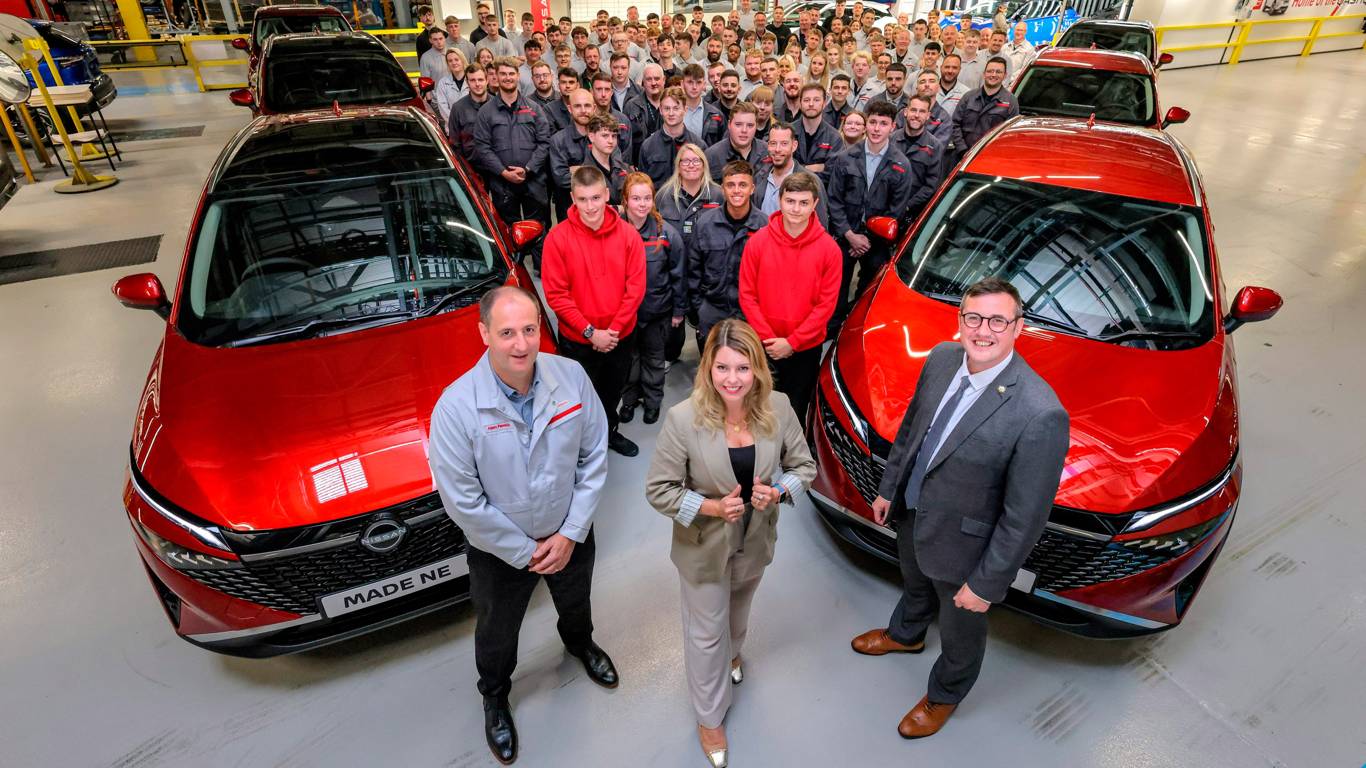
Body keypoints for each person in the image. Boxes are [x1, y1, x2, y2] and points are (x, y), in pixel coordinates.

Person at [850, 277, 1070, 739]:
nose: (983, 330)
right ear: (960, 320)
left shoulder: (1039, 412)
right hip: (913, 509)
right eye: (974, 317)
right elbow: (913, 430)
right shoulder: (942, 359)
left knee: (960, 628)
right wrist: (890, 489)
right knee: (913, 580)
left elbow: (1025, 517)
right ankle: (906, 635)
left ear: (1018, 327)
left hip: (966, 548)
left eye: (997, 321)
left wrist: (986, 583)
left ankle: (946, 692)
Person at [429, 286, 620, 766]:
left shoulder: (571, 377)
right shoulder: (456, 406)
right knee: (497, 629)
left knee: (576, 601)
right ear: (484, 334)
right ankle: (495, 695)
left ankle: (580, 644)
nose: (521, 344)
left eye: (530, 330)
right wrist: (523, 551)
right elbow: (462, 500)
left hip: (568, 532)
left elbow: (594, 456)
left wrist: (571, 531)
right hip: (499, 551)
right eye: (507, 333)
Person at [645, 317, 816, 768]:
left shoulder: (778, 407)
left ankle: (734, 655)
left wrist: (777, 492)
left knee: (738, 612)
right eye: (722, 368)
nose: (733, 379)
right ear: (708, 368)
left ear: (757, 368)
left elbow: (804, 468)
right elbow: (659, 490)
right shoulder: (683, 419)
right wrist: (712, 507)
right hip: (703, 546)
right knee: (706, 634)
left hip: (755, 540)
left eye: (743, 368)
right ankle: (710, 717)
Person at [541, 166, 647, 458]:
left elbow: (635, 288)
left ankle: (610, 431)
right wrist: (590, 332)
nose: (590, 207)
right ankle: (585, 445)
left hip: (619, 337)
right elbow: (556, 295)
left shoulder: (628, 235)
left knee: (612, 391)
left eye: (596, 198)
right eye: (583, 199)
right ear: (572, 198)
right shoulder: (557, 238)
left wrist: (612, 331)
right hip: (578, 341)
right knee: (580, 396)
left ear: (607, 195)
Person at [739, 172, 841, 420]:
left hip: (805, 349)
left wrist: (793, 342)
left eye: (804, 202)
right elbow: (747, 295)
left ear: (815, 204)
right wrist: (768, 339)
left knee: (796, 410)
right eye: (790, 201)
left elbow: (826, 306)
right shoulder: (757, 242)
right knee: (759, 409)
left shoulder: (830, 250)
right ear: (780, 201)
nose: (796, 209)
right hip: (764, 345)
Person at [825, 100, 913, 334]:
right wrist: (849, 235)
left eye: (883, 124)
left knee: (869, 289)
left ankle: (855, 329)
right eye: (872, 122)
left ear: (893, 127)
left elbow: (896, 210)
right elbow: (834, 199)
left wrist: (867, 241)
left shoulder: (901, 165)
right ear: (866, 125)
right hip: (845, 234)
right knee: (836, 286)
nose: (876, 128)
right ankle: (832, 330)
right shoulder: (846, 158)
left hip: (877, 241)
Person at [619, 173, 686, 426]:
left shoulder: (666, 234)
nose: (642, 204)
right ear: (625, 200)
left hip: (656, 311)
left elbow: (678, 275)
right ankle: (628, 400)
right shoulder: (614, 232)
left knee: (654, 360)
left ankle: (652, 401)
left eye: (647, 198)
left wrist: (678, 311)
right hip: (624, 314)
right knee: (629, 360)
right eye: (636, 198)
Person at [473, 58, 551, 259]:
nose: (507, 78)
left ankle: (541, 266)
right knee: (507, 230)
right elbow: (482, 147)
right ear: (496, 77)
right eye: (503, 74)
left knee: (538, 227)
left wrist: (528, 168)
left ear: (518, 76)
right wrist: (503, 172)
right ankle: (516, 267)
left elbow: (544, 142)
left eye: (511, 74)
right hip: (502, 184)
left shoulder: (534, 108)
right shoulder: (486, 112)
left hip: (533, 180)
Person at [688, 161, 768, 345]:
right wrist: (700, 309)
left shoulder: (765, 227)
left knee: (746, 361)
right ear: (722, 189)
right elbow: (693, 271)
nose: (736, 190)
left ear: (752, 189)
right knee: (712, 360)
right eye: (730, 185)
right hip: (712, 311)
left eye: (743, 185)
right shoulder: (705, 224)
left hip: (751, 314)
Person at [752, 122, 829, 229]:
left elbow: (821, 226)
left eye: (784, 143)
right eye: (773, 143)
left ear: (794, 146)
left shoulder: (811, 181)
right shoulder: (759, 178)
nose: (777, 149)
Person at [950, 56, 1018, 163]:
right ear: (984, 74)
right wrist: (962, 150)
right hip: (961, 157)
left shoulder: (1010, 101)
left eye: (998, 72)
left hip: (991, 160)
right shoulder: (969, 97)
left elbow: (1010, 136)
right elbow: (955, 124)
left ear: (1005, 76)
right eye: (990, 71)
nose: (993, 75)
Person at [892, 94, 947, 221]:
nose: (917, 115)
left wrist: (907, 206)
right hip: (886, 207)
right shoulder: (891, 140)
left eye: (922, 111)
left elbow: (931, 185)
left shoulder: (935, 146)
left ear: (928, 116)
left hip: (913, 213)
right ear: (906, 112)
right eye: (913, 110)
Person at [639, 86, 701, 188]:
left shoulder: (697, 145)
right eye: (667, 108)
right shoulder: (647, 146)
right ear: (660, 110)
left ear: (685, 110)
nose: (671, 113)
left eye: (676, 108)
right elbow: (643, 185)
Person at [704, 102, 769, 183]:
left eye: (750, 125)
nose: (744, 130)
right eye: (738, 125)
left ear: (756, 126)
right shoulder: (712, 156)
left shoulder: (767, 152)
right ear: (729, 125)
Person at [581, 114, 632, 205]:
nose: (610, 141)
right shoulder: (582, 174)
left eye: (614, 136)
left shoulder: (624, 168)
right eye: (605, 136)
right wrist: (618, 209)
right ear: (591, 137)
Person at [794, 83, 841, 177]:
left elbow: (833, 173)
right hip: (789, 186)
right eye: (806, 100)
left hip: (821, 186)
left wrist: (797, 168)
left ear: (824, 103)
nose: (811, 104)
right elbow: (781, 167)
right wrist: (813, 168)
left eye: (816, 100)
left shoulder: (834, 137)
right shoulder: (788, 132)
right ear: (800, 103)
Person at [448, 65, 492, 160]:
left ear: (487, 80)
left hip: (498, 165)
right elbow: (454, 144)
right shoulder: (458, 108)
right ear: (467, 82)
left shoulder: (497, 105)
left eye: (480, 80)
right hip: (471, 165)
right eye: (472, 80)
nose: (477, 84)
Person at [625, 63, 666, 164]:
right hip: (640, 163)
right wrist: (629, 164)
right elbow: (626, 141)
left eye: (657, 79)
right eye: (649, 79)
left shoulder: (673, 103)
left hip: (668, 162)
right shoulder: (631, 106)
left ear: (664, 80)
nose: (653, 83)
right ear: (643, 81)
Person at [682, 64, 727, 147]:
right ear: (682, 84)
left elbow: (723, 146)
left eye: (698, 82)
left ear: (704, 85)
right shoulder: (672, 113)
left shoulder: (716, 114)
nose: (694, 87)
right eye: (690, 82)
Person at [912, 69, 954, 146]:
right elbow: (894, 142)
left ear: (939, 87)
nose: (927, 84)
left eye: (931, 81)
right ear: (917, 88)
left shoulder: (944, 119)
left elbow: (937, 148)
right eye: (922, 82)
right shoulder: (904, 114)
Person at [434, 49, 470, 130]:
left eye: (456, 59)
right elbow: (443, 108)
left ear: (462, 60)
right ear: (447, 64)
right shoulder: (443, 83)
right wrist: (456, 122)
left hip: (472, 128)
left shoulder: (472, 79)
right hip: (453, 128)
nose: (453, 63)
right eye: (450, 61)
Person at [936, 53, 970, 119]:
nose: (950, 71)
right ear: (941, 68)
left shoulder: (966, 93)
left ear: (959, 70)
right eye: (947, 67)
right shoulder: (929, 89)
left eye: (954, 68)